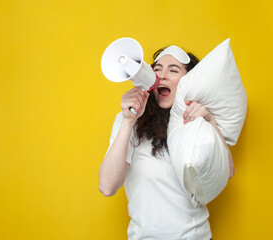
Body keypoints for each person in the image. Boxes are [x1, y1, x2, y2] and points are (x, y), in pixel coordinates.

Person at [99, 45, 234, 240]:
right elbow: (107, 186)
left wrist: (209, 121)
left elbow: (227, 170)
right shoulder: (130, 120)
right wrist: (128, 121)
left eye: (173, 70)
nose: (162, 75)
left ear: (189, 80)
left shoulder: (196, 121)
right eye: (157, 69)